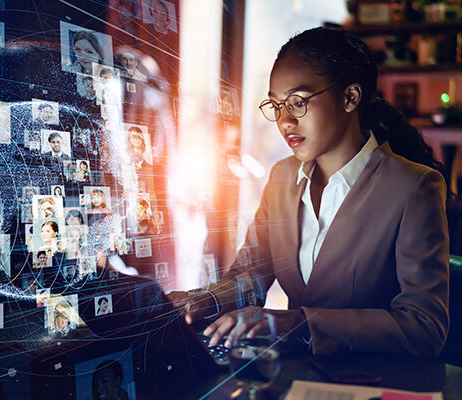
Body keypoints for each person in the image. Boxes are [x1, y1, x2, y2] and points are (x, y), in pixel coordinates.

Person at [171, 27, 450, 357]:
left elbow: (424, 327)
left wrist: (297, 323)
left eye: (298, 102)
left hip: (368, 382)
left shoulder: (413, 187)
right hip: (290, 377)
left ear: (350, 97)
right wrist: (195, 301)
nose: (285, 121)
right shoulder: (282, 178)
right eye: (276, 105)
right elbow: (252, 275)